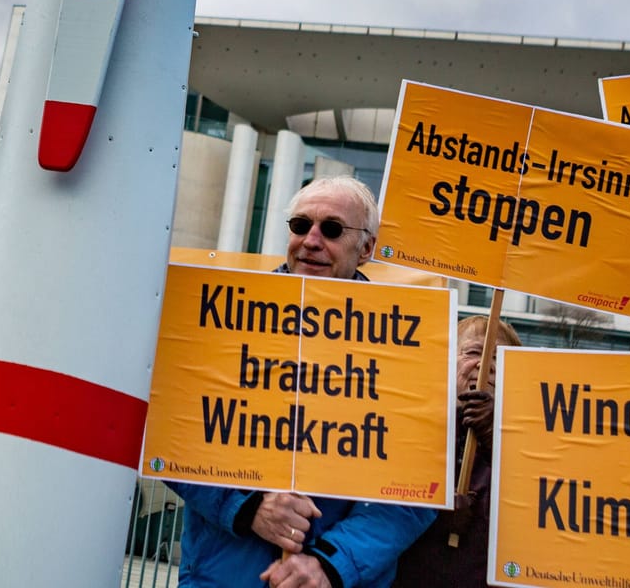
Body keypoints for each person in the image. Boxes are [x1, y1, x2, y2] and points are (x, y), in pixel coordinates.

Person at [173, 177, 436, 588]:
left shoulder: (409, 338)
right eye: (300, 225)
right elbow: (175, 436)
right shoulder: (224, 316)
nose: (311, 240)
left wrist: (331, 563)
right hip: (221, 575)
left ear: (366, 248)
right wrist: (247, 508)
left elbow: (415, 494)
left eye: (331, 229)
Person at [392, 316, 519, 586]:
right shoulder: (414, 425)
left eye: (502, 358)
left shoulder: (525, 444)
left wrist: (493, 437)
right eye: (474, 352)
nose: (488, 365)